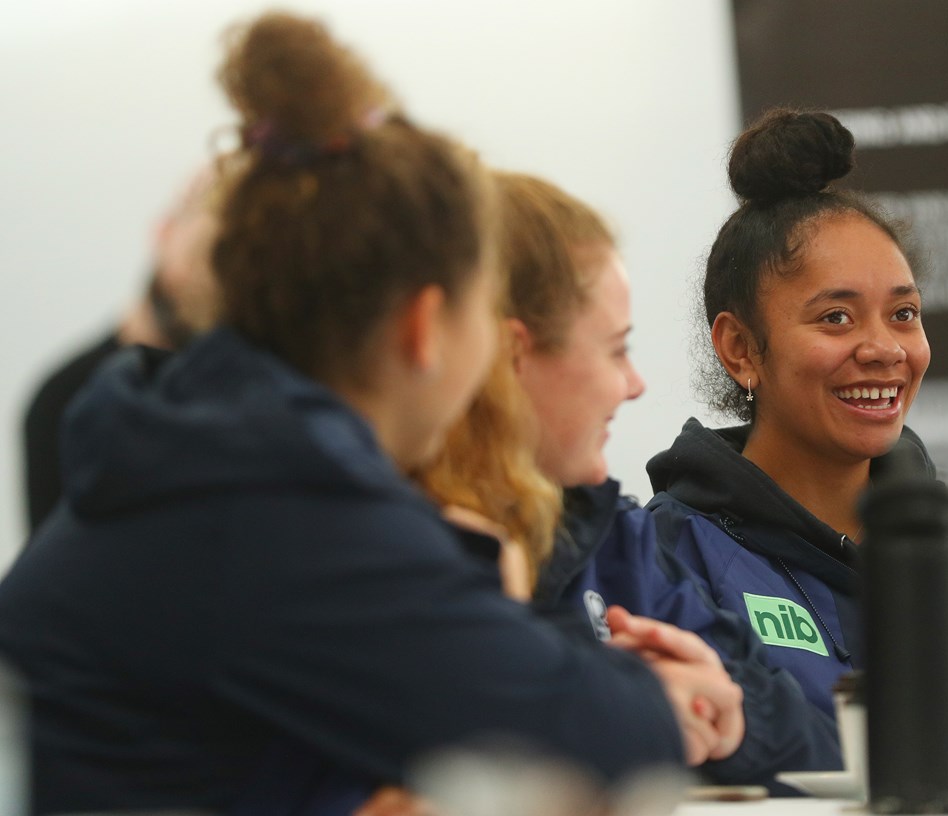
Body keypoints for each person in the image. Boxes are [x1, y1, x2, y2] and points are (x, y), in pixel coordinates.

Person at [0, 13, 741, 815]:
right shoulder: (289, 505)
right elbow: (594, 737)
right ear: (424, 327)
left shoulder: (191, 449)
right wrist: (656, 696)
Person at [644, 107, 948, 793]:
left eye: (903, 314)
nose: (884, 349)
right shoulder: (667, 564)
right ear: (740, 348)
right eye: (836, 317)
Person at [416, 171, 837, 788]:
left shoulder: (613, 538)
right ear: (511, 358)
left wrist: (735, 722)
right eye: (616, 350)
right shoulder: (378, 542)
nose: (634, 385)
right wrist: (638, 707)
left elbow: (821, 752)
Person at [21, 166, 220, 533]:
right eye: (202, 253)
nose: (207, 284)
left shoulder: (250, 393)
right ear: (165, 232)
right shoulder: (65, 397)